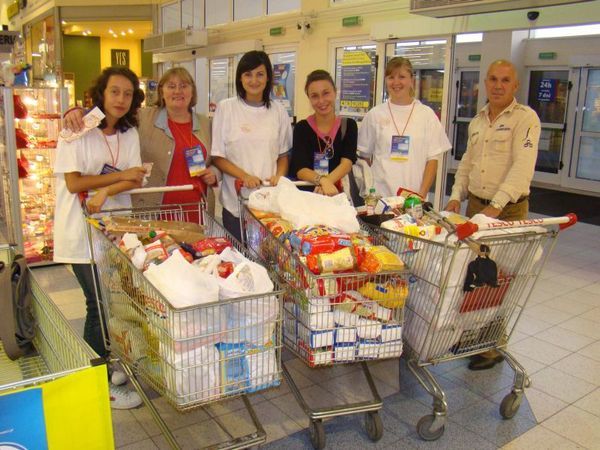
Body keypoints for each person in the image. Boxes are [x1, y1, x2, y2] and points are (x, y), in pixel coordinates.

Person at [53, 67, 146, 409]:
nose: (121, 99)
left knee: (113, 303)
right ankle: (98, 383)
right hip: (80, 231)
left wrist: (107, 190)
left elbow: (136, 179)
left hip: (115, 230)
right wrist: (118, 179)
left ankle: (106, 362)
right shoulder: (76, 129)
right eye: (114, 91)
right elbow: (74, 183)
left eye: (128, 93)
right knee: (97, 306)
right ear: (101, 94)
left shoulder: (129, 132)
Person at [445, 59, 541, 370]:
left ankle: (492, 346)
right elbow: (467, 163)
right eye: (493, 79)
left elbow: (522, 168)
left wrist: (496, 206)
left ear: (516, 85)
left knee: (501, 279)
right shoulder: (477, 121)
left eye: (505, 80)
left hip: (507, 210)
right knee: (476, 276)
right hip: (476, 207)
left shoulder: (526, 119)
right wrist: (455, 197)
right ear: (485, 83)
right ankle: (472, 335)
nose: (498, 85)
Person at [63, 67, 218, 221]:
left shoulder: (206, 124)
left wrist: (214, 173)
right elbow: (113, 112)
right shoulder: (143, 117)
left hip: (197, 208)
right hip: (154, 210)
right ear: (161, 91)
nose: (178, 91)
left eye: (184, 86)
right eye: (171, 86)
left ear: (192, 91)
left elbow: (217, 159)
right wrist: (78, 112)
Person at [211, 50, 292, 241]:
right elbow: (218, 156)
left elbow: (283, 155)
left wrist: (279, 177)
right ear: (240, 78)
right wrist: (244, 176)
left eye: (260, 74)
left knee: (269, 254)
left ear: (268, 78)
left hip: (269, 205)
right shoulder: (226, 108)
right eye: (248, 74)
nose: (254, 80)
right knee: (239, 253)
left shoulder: (279, 111)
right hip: (236, 204)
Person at [357, 56, 451, 199]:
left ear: (412, 80)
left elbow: (432, 160)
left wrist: (421, 196)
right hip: (380, 198)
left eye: (401, 77)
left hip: (413, 199)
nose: (396, 82)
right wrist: (370, 189)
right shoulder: (374, 115)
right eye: (391, 77)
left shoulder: (426, 115)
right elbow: (364, 157)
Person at [289, 69, 357, 196]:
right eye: (315, 96)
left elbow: (347, 164)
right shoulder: (301, 128)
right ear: (309, 98)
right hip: (308, 196)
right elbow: (300, 169)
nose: (321, 101)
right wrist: (322, 181)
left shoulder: (348, 126)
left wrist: (327, 182)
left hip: (338, 195)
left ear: (335, 92)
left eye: (326, 93)